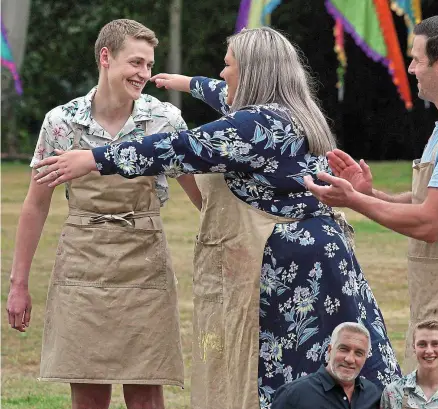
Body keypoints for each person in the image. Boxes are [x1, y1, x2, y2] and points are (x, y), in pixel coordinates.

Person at [32, 26, 402, 409]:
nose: (223, 74)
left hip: (295, 273)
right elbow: (221, 94)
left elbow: (181, 147)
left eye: (229, 66)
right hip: (322, 260)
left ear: (253, 73)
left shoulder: (255, 126)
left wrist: (94, 158)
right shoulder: (290, 110)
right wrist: (187, 83)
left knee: (299, 377)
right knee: (335, 367)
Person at [303, 15, 438, 395]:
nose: (410, 68)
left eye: (416, 59)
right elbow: (429, 200)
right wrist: (371, 195)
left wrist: (353, 200)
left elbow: (429, 222)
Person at [5, 19, 198, 409]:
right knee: (88, 393)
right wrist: (18, 284)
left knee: (146, 390)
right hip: (82, 265)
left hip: (144, 264)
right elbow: (36, 205)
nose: (144, 74)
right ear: (106, 58)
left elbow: (201, 196)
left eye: (148, 65)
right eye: (136, 63)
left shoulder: (164, 121)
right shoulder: (61, 122)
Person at [272, 322, 383, 409]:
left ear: (365, 358)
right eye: (344, 349)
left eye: (359, 353)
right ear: (330, 350)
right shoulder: (293, 395)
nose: (350, 359)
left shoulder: (373, 394)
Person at [380, 320, 438, 409]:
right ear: (414, 347)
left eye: (435, 344)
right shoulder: (393, 392)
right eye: (422, 344)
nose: (429, 351)